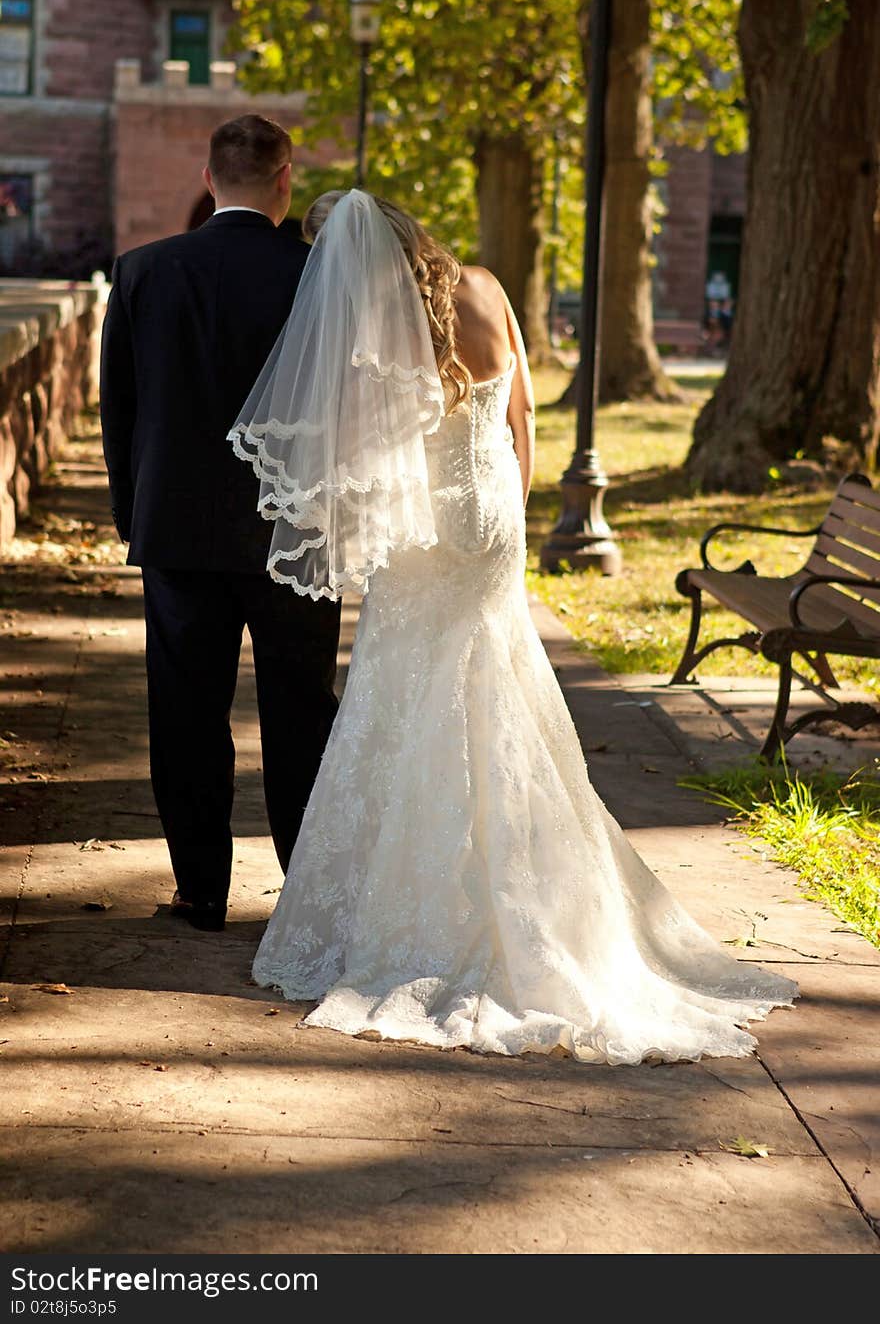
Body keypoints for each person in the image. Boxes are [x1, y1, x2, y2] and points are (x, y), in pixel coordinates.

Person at [230, 189, 797, 1064]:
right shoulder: (489, 287)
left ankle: (424, 910)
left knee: (412, 692)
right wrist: (511, 512)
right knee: (499, 682)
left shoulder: (380, 324)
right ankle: (539, 890)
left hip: (428, 532)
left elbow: (359, 447)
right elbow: (524, 415)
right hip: (493, 509)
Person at [99, 116, 341, 933]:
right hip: (296, 529)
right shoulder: (319, 279)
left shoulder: (142, 272)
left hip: (179, 528)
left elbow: (120, 414)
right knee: (301, 713)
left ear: (210, 177)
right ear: (285, 181)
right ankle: (304, 892)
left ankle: (201, 892)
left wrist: (134, 514)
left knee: (187, 712)